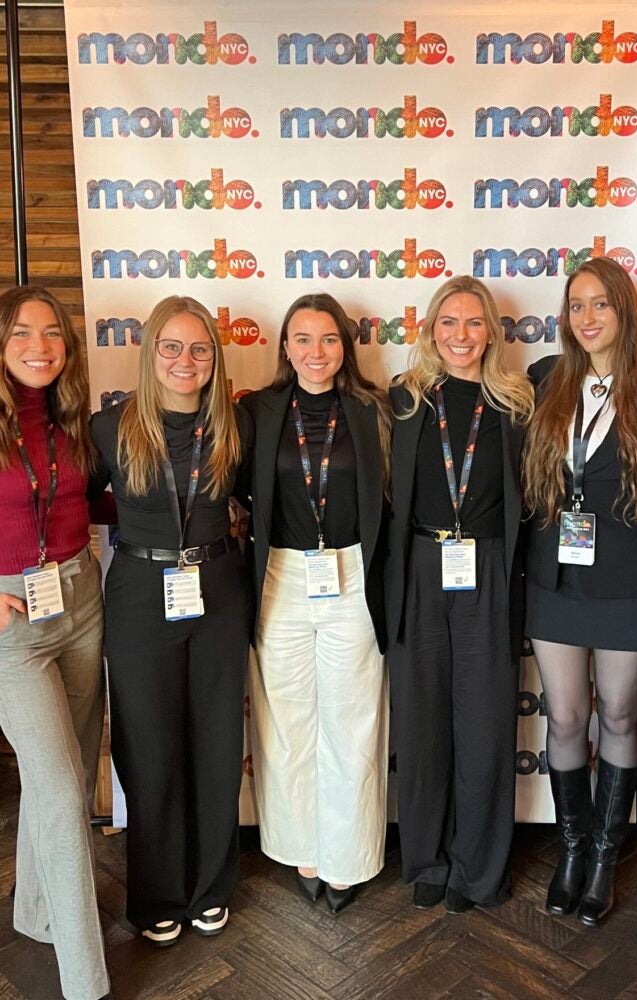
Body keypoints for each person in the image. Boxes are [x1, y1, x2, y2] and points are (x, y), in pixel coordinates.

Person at [522, 257, 637, 926]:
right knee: (564, 719)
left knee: (619, 717)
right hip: (555, 579)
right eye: (576, 305)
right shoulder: (545, 381)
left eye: (600, 304)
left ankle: (603, 855)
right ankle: (571, 848)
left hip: (629, 585)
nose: (587, 317)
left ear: (625, 311)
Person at [90, 295, 252, 945]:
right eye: (172, 347)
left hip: (216, 591)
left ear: (214, 359)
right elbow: (67, 502)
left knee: (215, 745)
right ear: (150, 352)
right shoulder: (111, 427)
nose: (186, 361)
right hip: (138, 593)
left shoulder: (235, 429)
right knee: (149, 747)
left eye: (200, 349)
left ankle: (211, 887)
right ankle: (156, 892)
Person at [385, 275, 535, 913]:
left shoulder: (514, 407)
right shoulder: (403, 402)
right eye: (449, 322)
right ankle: (427, 859)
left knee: (485, 726)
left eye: (474, 323)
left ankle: (479, 870)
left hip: (488, 571)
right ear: (430, 330)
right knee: (421, 725)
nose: (461, 336)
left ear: (493, 333)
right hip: (421, 568)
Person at [241, 292, 390, 914]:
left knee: (352, 724)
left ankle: (348, 856)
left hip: (352, 575)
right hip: (281, 576)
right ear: (284, 348)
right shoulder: (257, 411)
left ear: (345, 348)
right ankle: (302, 847)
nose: (315, 352)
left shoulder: (372, 409)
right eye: (301, 339)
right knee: (287, 726)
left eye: (328, 339)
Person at [0, 286, 110, 999]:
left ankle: (39, 914)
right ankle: (84, 981)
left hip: (81, 600)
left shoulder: (74, 421)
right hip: (13, 627)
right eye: (21, 335)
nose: (39, 347)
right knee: (66, 794)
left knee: (54, 783)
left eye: (51, 334)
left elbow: (93, 501)